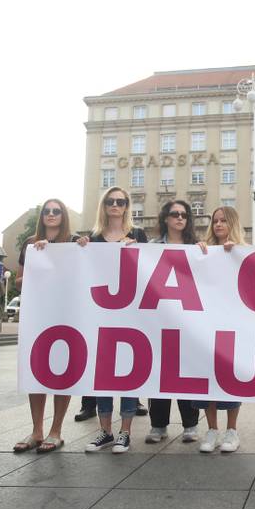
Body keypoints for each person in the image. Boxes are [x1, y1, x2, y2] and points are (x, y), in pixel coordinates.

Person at [77, 187, 148, 453]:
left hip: (130, 316)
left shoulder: (138, 235)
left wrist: (137, 249)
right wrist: (80, 249)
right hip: (100, 316)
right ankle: (105, 431)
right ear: (104, 206)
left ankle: (125, 433)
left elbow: (149, 271)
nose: (115, 205)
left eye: (121, 201)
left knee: (128, 373)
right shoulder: (93, 238)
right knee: (103, 374)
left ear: (127, 206)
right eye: (110, 201)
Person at [12, 199, 79, 454]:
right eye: (47, 211)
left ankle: (56, 430)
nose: (51, 215)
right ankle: (37, 430)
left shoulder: (74, 242)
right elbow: (18, 281)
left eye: (57, 211)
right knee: (37, 370)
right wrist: (38, 263)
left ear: (63, 216)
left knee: (63, 371)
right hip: (37, 315)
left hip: (66, 314)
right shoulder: (30, 243)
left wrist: (84, 247)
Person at [145, 200, 201, 445]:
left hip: (189, 320)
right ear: (165, 218)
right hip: (160, 318)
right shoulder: (151, 247)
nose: (180, 218)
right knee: (159, 372)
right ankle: (158, 425)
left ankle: (191, 425)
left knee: (187, 372)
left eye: (184, 215)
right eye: (174, 214)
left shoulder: (196, 247)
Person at [193, 206, 245, 453]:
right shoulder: (204, 250)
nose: (218, 225)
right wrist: (201, 255)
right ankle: (212, 429)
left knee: (230, 377)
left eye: (224, 220)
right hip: (206, 323)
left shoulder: (242, 251)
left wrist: (237, 254)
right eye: (215, 221)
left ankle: (231, 431)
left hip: (231, 324)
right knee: (206, 376)